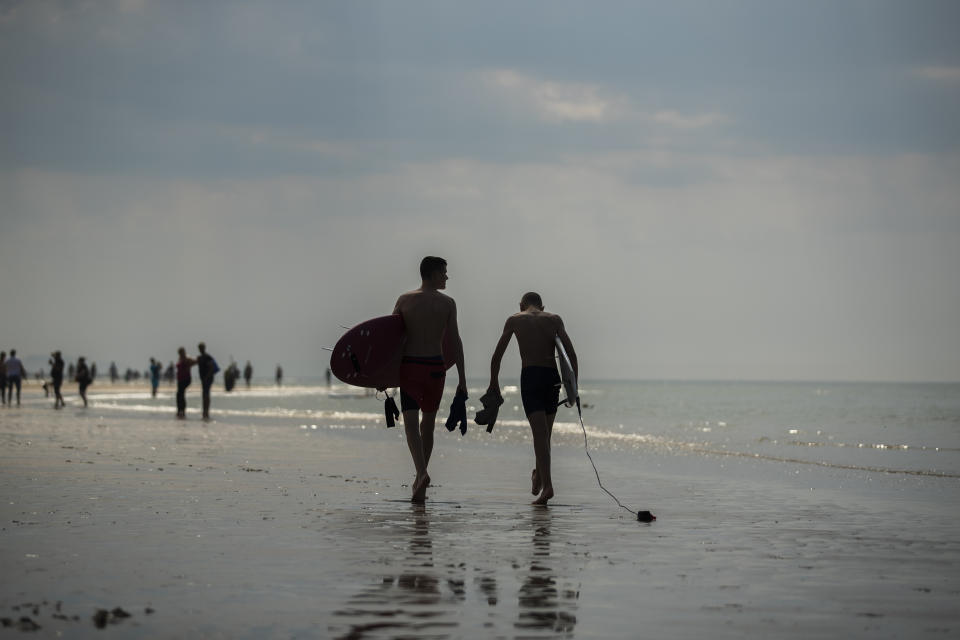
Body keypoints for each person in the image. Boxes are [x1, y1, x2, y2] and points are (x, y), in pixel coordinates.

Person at [486, 292, 578, 506]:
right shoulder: (554, 320)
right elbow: (571, 354)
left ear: (521, 305)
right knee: (544, 435)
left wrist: (493, 382)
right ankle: (539, 475)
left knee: (539, 434)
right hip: (552, 378)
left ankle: (548, 487)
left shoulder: (515, 320)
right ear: (542, 306)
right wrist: (574, 386)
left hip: (531, 377)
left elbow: (497, 354)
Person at [392, 256, 466, 502]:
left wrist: (383, 375)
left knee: (411, 425)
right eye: (444, 273)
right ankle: (420, 478)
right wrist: (462, 379)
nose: (446, 277)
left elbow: (391, 341)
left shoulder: (405, 300)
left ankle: (421, 473)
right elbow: (455, 343)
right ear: (433, 274)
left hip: (411, 367)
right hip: (436, 368)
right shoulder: (448, 304)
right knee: (428, 423)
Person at [196, 342, 218, 420]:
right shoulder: (200, 357)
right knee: (204, 394)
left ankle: (206, 411)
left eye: (201, 348)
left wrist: (207, 377)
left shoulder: (207, 357)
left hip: (208, 378)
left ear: (204, 348)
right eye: (199, 348)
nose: (200, 349)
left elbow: (211, 367)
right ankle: (204, 411)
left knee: (206, 394)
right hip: (203, 378)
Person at [175, 347, 196, 419]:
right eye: (179, 352)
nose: (180, 354)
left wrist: (188, 366)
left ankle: (182, 410)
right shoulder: (180, 358)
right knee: (179, 394)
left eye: (181, 352)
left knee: (181, 394)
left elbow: (196, 361)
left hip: (186, 379)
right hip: (180, 379)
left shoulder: (187, 358)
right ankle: (179, 410)